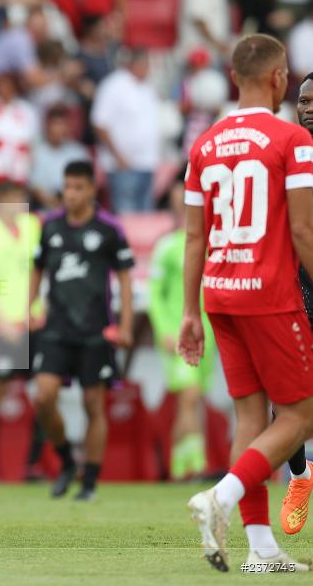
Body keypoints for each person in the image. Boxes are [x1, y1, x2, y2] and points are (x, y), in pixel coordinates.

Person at [181, 34, 313, 573]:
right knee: (303, 415)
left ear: (235, 78)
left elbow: (194, 237)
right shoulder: (292, 140)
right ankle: (221, 496)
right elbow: (302, 228)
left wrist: (189, 312)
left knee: (251, 417)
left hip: (219, 291)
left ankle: (261, 550)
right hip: (270, 293)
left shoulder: (204, 143)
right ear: (279, 77)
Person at [30, 160, 135, 502]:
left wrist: (126, 325)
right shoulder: (49, 226)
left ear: (91, 189)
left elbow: (124, 278)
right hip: (56, 327)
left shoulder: (109, 229)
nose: (70, 194)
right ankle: (64, 461)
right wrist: (29, 308)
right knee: (43, 397)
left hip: (95, 330)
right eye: (67, 187)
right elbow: (38, 268)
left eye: (77, 187)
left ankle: (89, 481)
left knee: (94, 404)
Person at [148, 178, 214, 480]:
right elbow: (154, 296)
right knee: (188, 396)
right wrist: (163, 329)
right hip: (177, 333)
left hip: (208, 336)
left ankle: (177, 466)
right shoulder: (166, 246)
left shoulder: (211, 242)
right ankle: (196, 466)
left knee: (193, 399)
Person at [0, 183, 41, 478]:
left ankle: (33, 465)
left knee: (40, 392)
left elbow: (41, 269)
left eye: (22, 198)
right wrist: (2, 322)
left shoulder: (33, 226)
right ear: (0, 201)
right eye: (13, 198)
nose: (18, 204)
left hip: (31, 321)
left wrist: (37, 309)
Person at [278, 71, 313, 536]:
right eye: (303, 100)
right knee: (283, 396)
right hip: (295, 284)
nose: (307, 107)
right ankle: (300, 479)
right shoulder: (284, 150)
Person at [90, 48, 160, 213]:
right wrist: (118, 157)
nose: (149, 68)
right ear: (135, 63)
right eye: (146, 64)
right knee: (127, 219)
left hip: (147, 164)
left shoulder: (148, 88)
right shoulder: (114, 85)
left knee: (146, 221)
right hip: (123, 166)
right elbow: (99, 123)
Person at [29, 105, 90, 209]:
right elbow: (34, 186)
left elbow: (86, 183)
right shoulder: (36, 150)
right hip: (44, 205)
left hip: (74, 204)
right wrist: (55, 205)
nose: (60, 129)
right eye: (56, 124)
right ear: (47, 126)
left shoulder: (78, 151)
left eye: (63, 125)